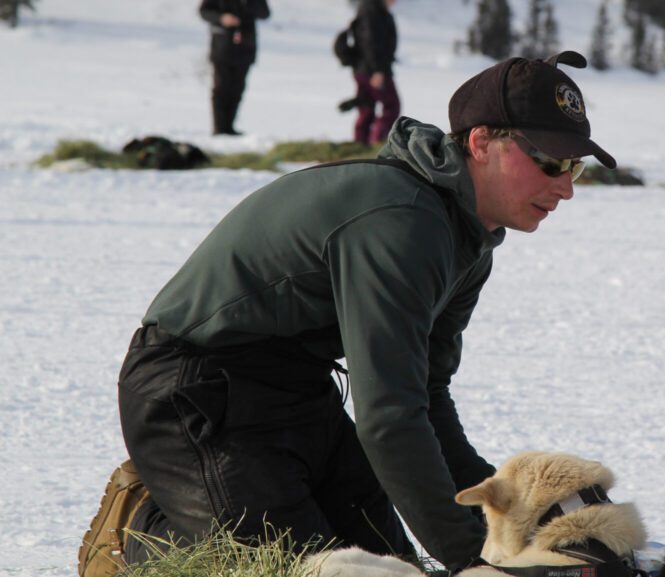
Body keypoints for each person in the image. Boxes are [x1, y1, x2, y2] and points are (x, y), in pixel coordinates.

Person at [78, 50, 616, 577]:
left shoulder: (467, 240)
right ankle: (144, 531)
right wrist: (470, 559)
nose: (565, 186)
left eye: (575, 166)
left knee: (389, 567)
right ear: (481, 143)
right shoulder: (402, 221)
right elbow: (389, 415)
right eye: (549, 161)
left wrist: (506, 522)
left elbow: (426, 395)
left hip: (299, 393)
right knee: (298, 569)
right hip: (192, 391)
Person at [200, 0, 271, 136]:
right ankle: (219, 127)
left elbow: (265, 13)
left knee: (237, 89)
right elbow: (204, 12)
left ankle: (229, 127)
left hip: (245, 48)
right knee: (221, 88)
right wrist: (222, 18)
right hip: (222, 47)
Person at [351, 0, 400, 145]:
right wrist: (378, 70)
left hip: (364, 69)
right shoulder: (372, 11)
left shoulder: (372, 9)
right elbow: (370, 42)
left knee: (367, 106)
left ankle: (361, 144)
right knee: (391, 106)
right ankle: (376, 143)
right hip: (372, 71)